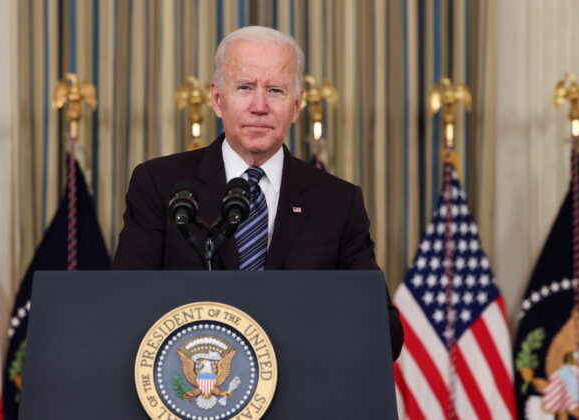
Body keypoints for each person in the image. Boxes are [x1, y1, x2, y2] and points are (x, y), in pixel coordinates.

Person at [113, 26, 403, 360]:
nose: (260, 106)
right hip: (194, 387)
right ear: (218, 99)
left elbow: (385, 334)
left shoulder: (338, 202)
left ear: (296, 106)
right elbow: (126, 308)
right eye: (245, 87)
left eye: (276, 90)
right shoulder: (160, 184)